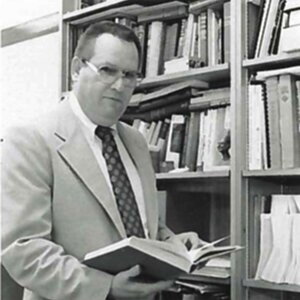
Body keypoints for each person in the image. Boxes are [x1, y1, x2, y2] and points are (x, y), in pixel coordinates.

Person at [2, 21, 205, 300]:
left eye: (130, 75)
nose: (120, 85)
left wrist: (171, 243)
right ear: (76, 69)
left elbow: (142, 226)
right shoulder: (31, 140)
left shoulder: (136, 141)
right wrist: (105, 288)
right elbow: (24, 249)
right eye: (107, 70)